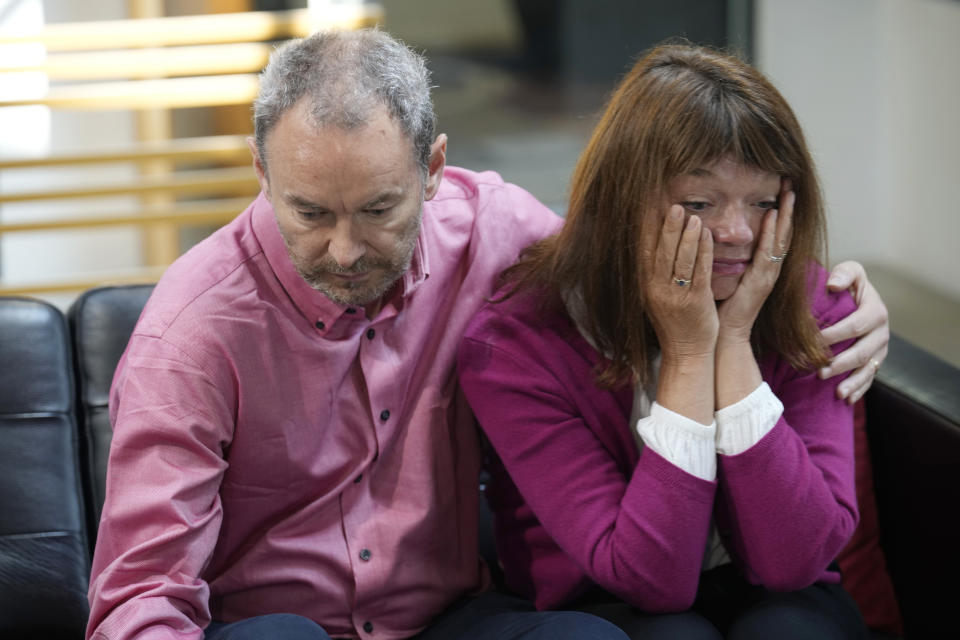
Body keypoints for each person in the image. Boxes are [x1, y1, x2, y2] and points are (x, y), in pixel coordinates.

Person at [87, 31, 885, 640]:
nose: (344, 249)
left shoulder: (495, 233)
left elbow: (630, 257)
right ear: (262, 176)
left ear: (434, 170)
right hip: (274, 625)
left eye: (377, 210)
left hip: (447, 619)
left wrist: (839, 298)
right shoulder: (189, 337)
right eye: (308, 212)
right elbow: (140, 595)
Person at [457, 44, 875, 640]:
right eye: (700, 204)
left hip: (774, 589)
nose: (738, 232)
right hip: (597, 599)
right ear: (621, 204)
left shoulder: (821, 310)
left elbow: (795, 561)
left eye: (763, 202)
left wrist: (731, 346)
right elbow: (652, 581)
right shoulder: (515, 346)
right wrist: (686, 355)